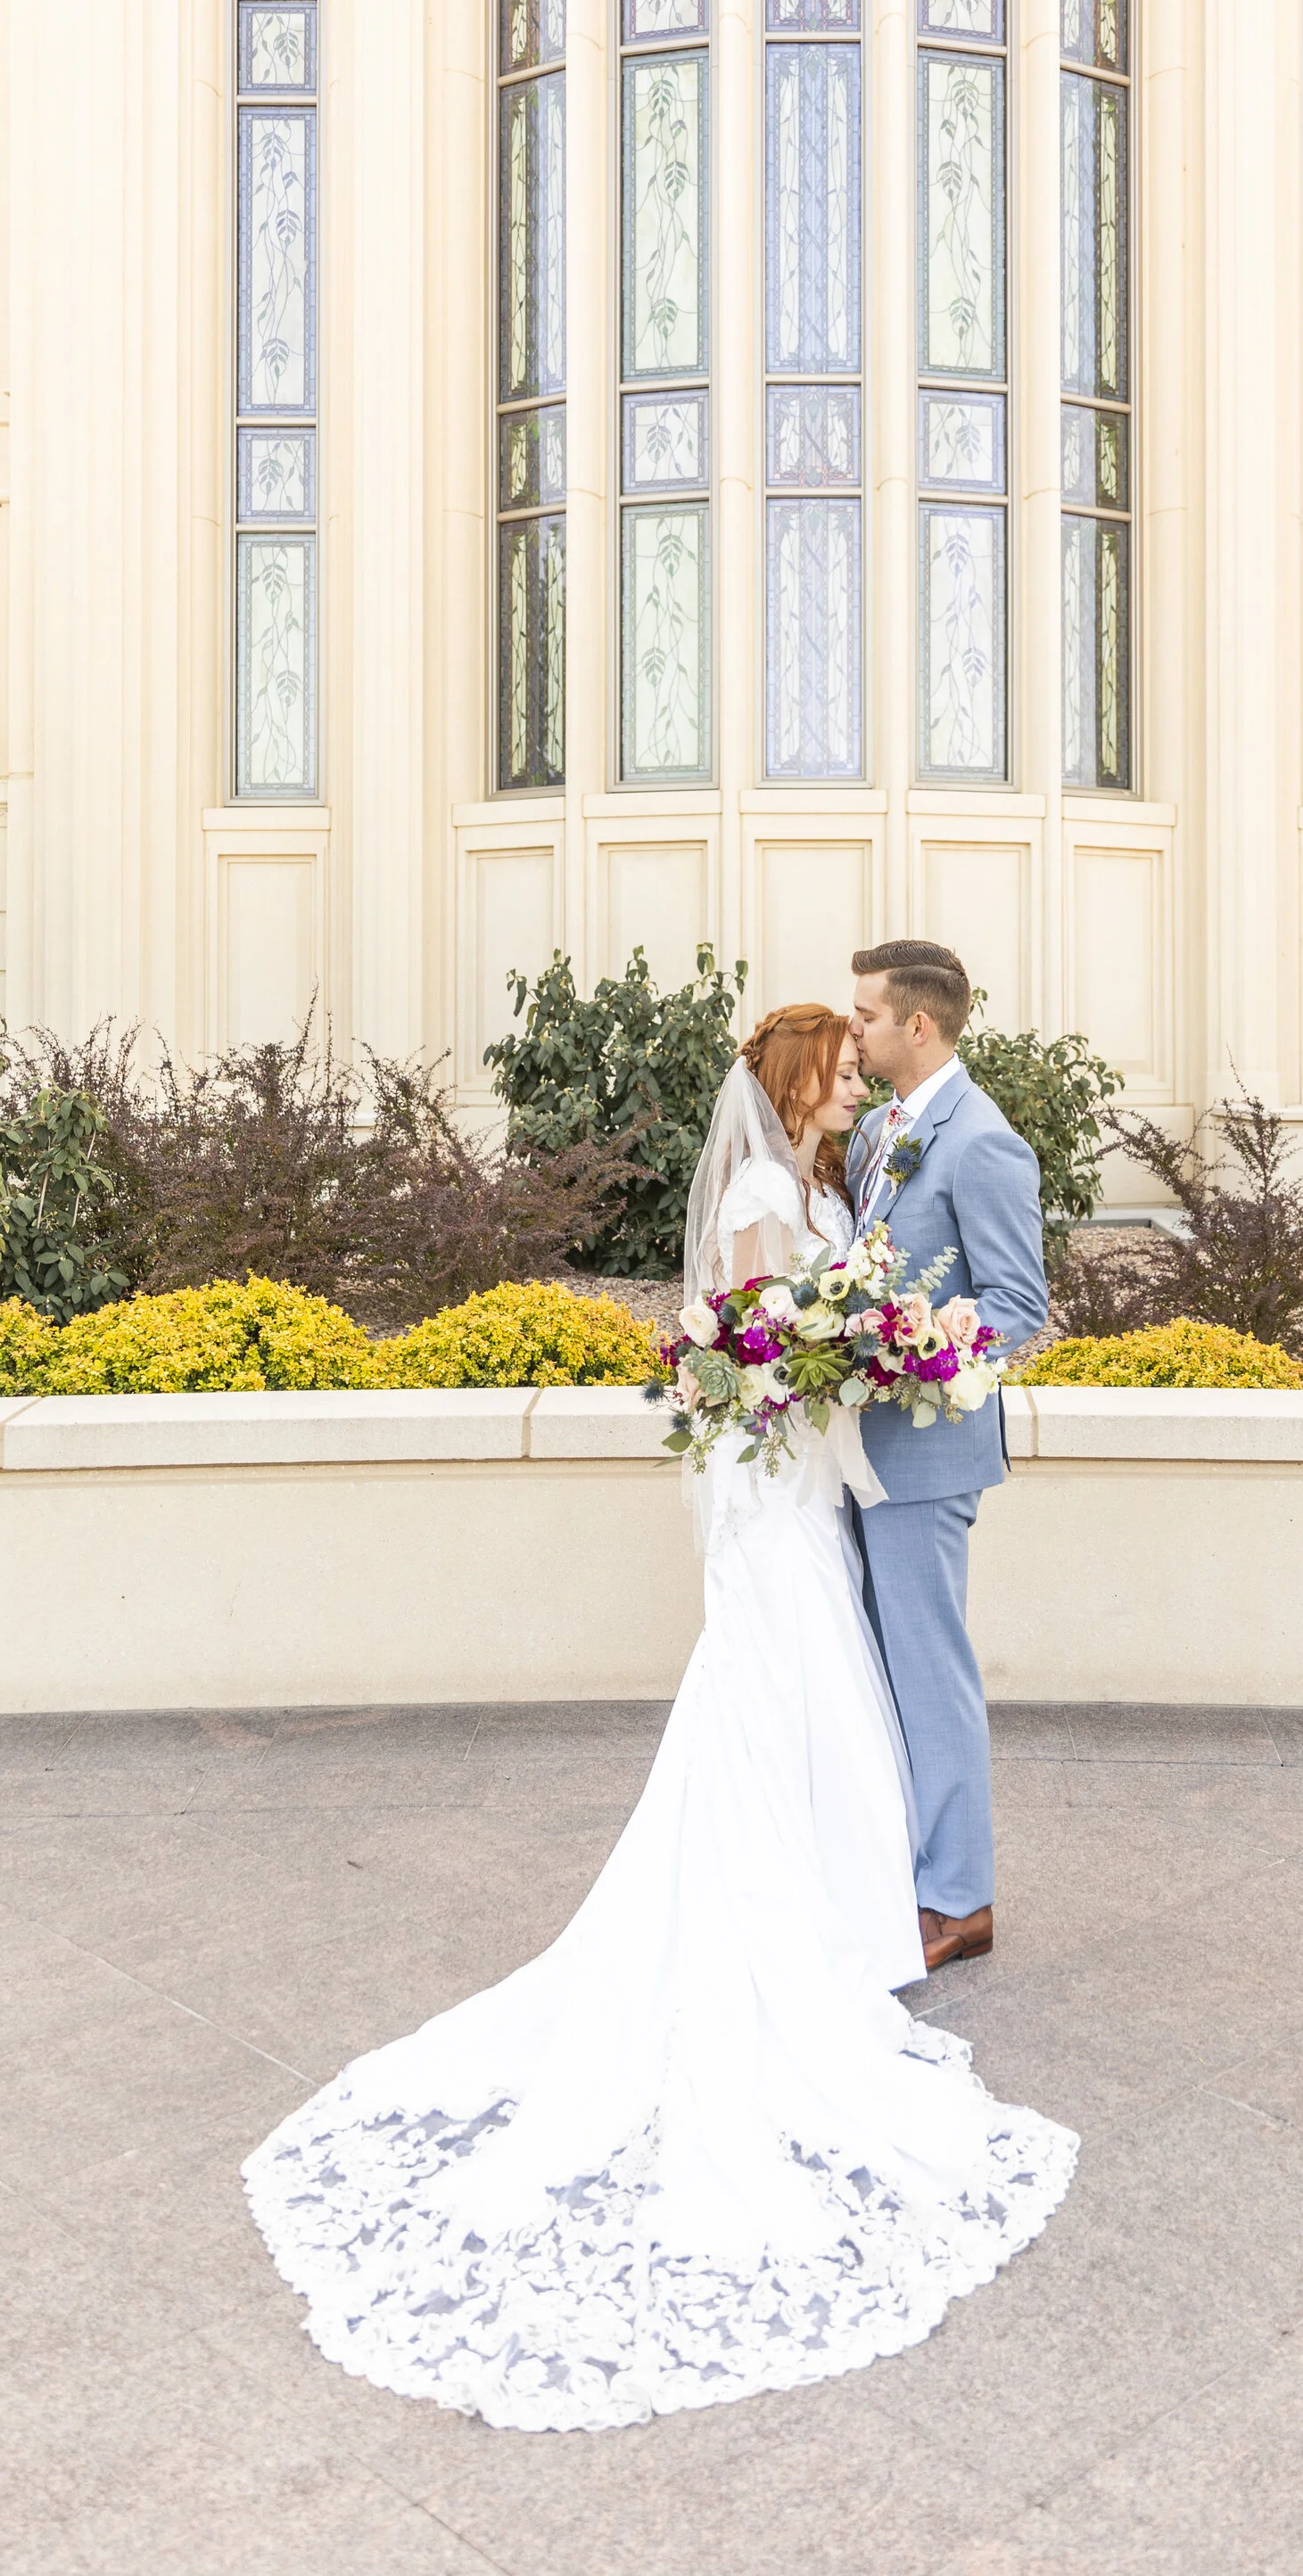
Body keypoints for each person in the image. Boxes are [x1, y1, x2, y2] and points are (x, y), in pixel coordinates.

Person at [242, 1001, 1074, 2433]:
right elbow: (743, 1348)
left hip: (833, 1476)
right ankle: (834, 1904)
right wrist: (841, 1352)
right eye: (839, 1059)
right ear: (802, 1081)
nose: (856, 1069)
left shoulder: (845, 1166)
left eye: (868, 1041)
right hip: (784, 1484)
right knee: (787, 1680)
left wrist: (877, 1347)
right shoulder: (766, 1194)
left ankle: (878, 1897)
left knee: (840, 1682)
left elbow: (913, 1307)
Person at [845, 941, 1051, 1973]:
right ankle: (903, 1868)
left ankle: (960, 1901)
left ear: (915, 1025)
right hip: (862, 1448)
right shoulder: (879, 1130)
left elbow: (1018, 1304)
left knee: (931, 1677)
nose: (853, 1031)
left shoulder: (981, 1142)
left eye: (865, 1016)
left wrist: (912, 1349)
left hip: (927, 1455)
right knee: (881, 1673)